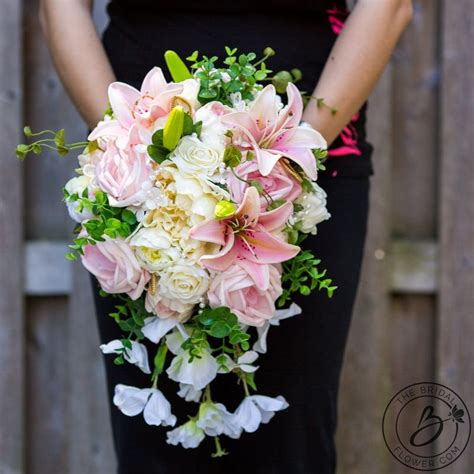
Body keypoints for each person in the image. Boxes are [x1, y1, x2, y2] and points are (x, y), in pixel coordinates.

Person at [39, 1, 413, 473]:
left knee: (290, 444)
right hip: (141, 172)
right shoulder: (135, 170)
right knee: (155, 450)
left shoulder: (298, 169)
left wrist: (285, 166)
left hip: (311, 158)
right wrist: (133, 159)